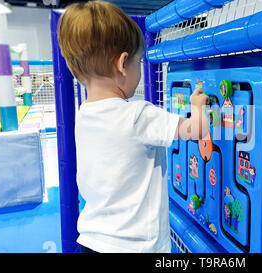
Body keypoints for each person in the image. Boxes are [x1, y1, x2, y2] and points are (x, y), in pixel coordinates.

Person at [57, 1, 209, 253]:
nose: (139, 68)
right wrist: (199, 105)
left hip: (90, 241)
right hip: (135, 247)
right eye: (139, 61)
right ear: (122, 63)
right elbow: (196, 130)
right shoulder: (137, 115)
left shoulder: (84, 114)